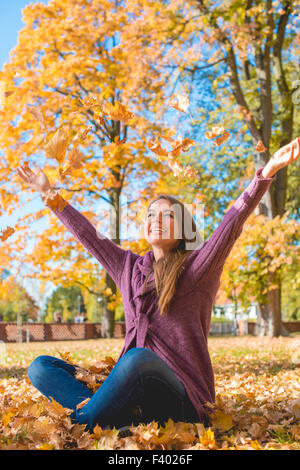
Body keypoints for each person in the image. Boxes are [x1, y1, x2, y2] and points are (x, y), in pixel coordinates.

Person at [17, 138, 300, 433]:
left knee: (138, 359)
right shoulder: (126, 266)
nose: (157, 220)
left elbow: (232, 222)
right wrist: (48, 192)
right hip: (135, 394)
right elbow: (87, 235)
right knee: (41, 367)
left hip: (182, 399)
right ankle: (108, 419)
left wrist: (266, 172)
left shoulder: (197, 269)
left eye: (167, 216)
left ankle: (85, 424)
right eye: (151, 214)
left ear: (183, 230)